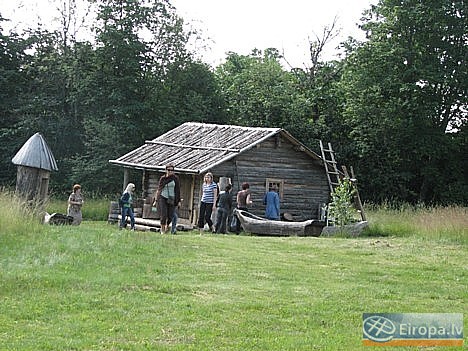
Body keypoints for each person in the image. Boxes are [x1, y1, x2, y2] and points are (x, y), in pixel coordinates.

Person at [153, 164, 180, 234]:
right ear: (166, 170)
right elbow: (159, 189)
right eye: (169, 170)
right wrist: (156, 200)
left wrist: (178, 200)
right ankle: (162, 230)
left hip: (172, 198)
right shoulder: (163, 178)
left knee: (170, 215)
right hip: (163, 197)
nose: (170, 171)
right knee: (163, 214)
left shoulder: (175, 178)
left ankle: (167, 226)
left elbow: (177, 190)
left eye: (172, 170)